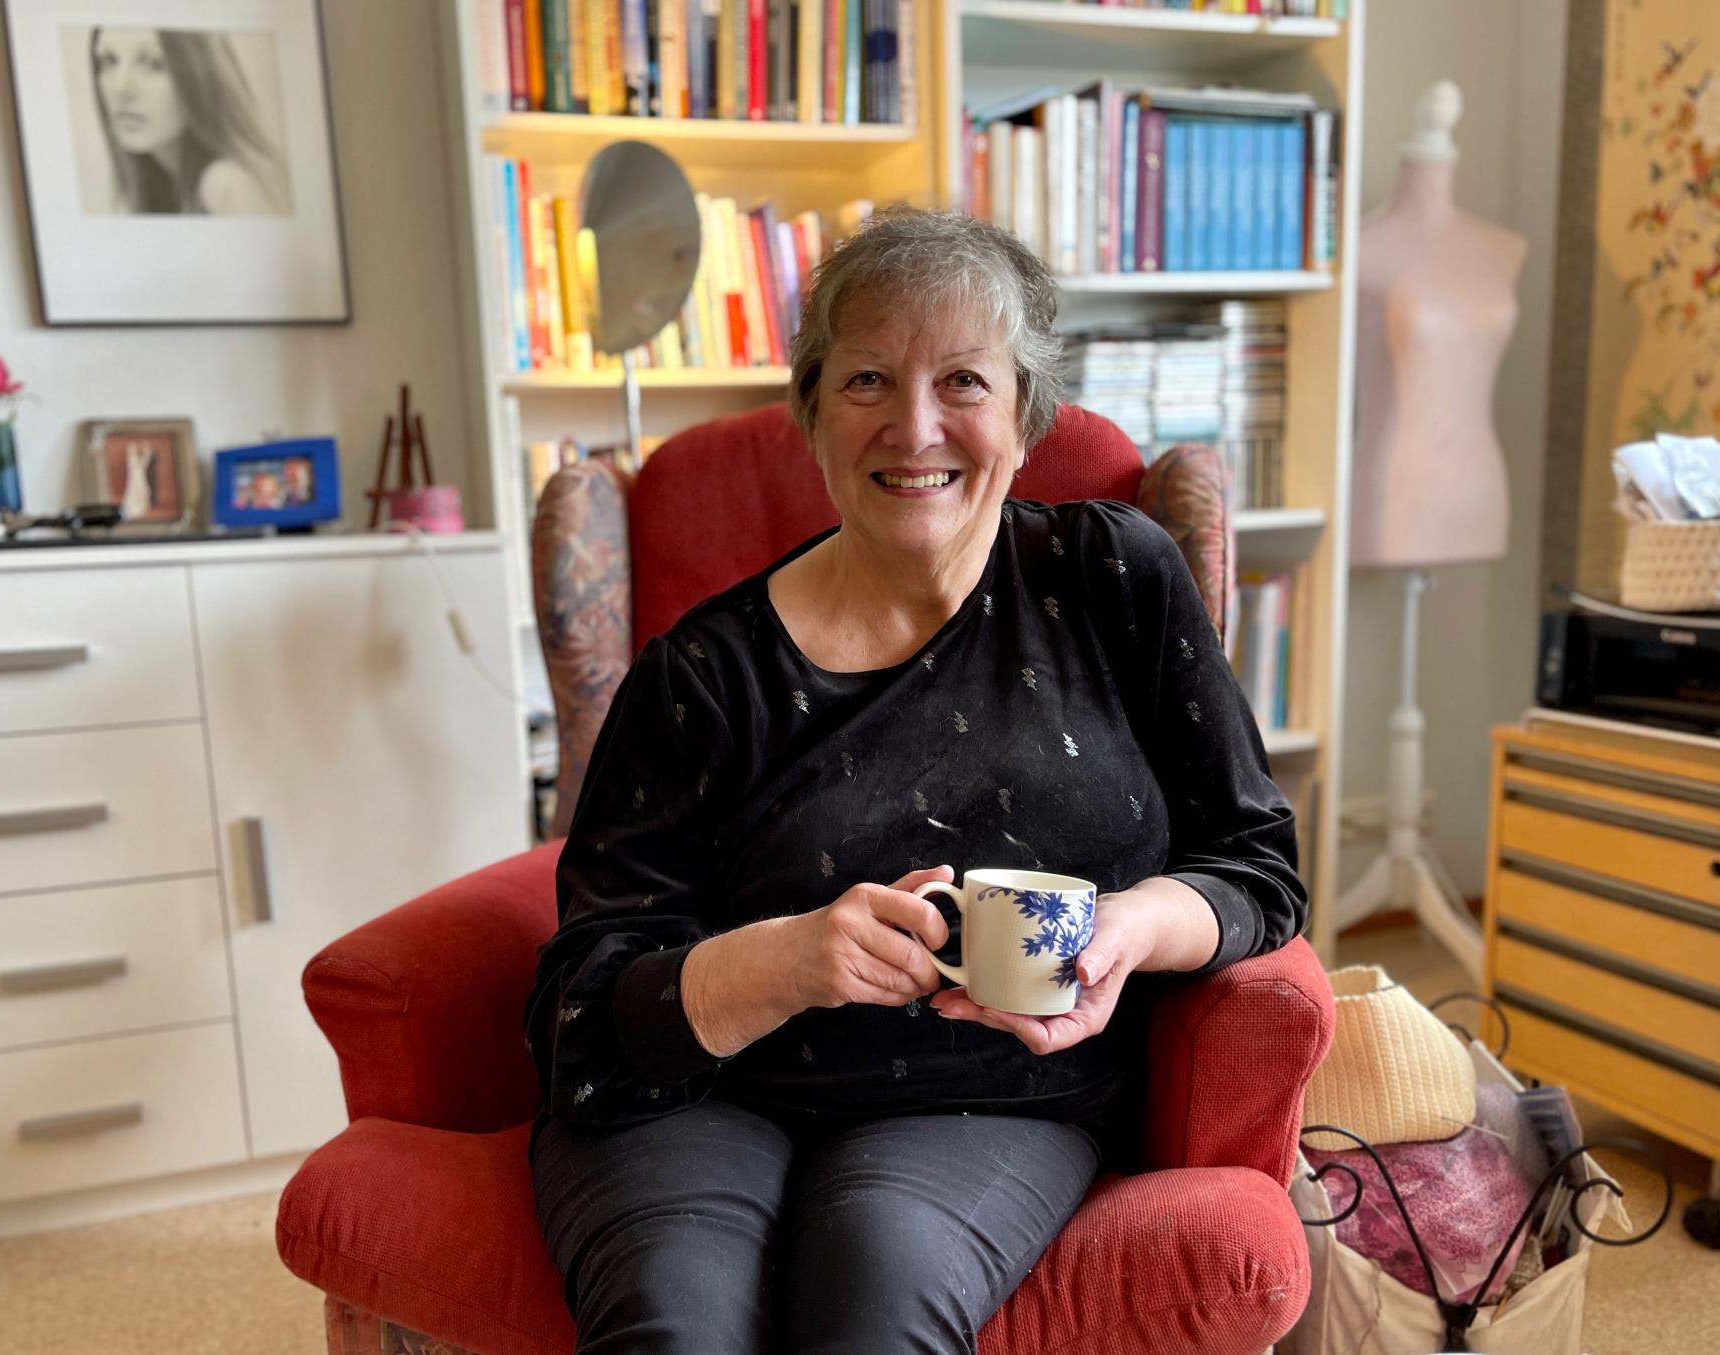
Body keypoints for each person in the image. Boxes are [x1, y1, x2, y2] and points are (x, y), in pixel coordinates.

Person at [525, 207, 1307, 1355]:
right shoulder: (704, 673)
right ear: (811, 412)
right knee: (676, 1325)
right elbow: (578, 1015)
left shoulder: (1109, 579)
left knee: (879, 1297)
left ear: (1026, 412)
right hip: (705, 1092)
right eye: (868, 380)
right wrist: (785, 960)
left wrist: (1124, 932)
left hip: (986, 1093)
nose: (915, 425)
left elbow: (1256, 866)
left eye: (962, 381)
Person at [88, 27, 289, 216]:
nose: (120, 88)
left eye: (153, 63)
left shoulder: (226, 184)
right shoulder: (158, 185)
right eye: (108, 61)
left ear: (202, 76)